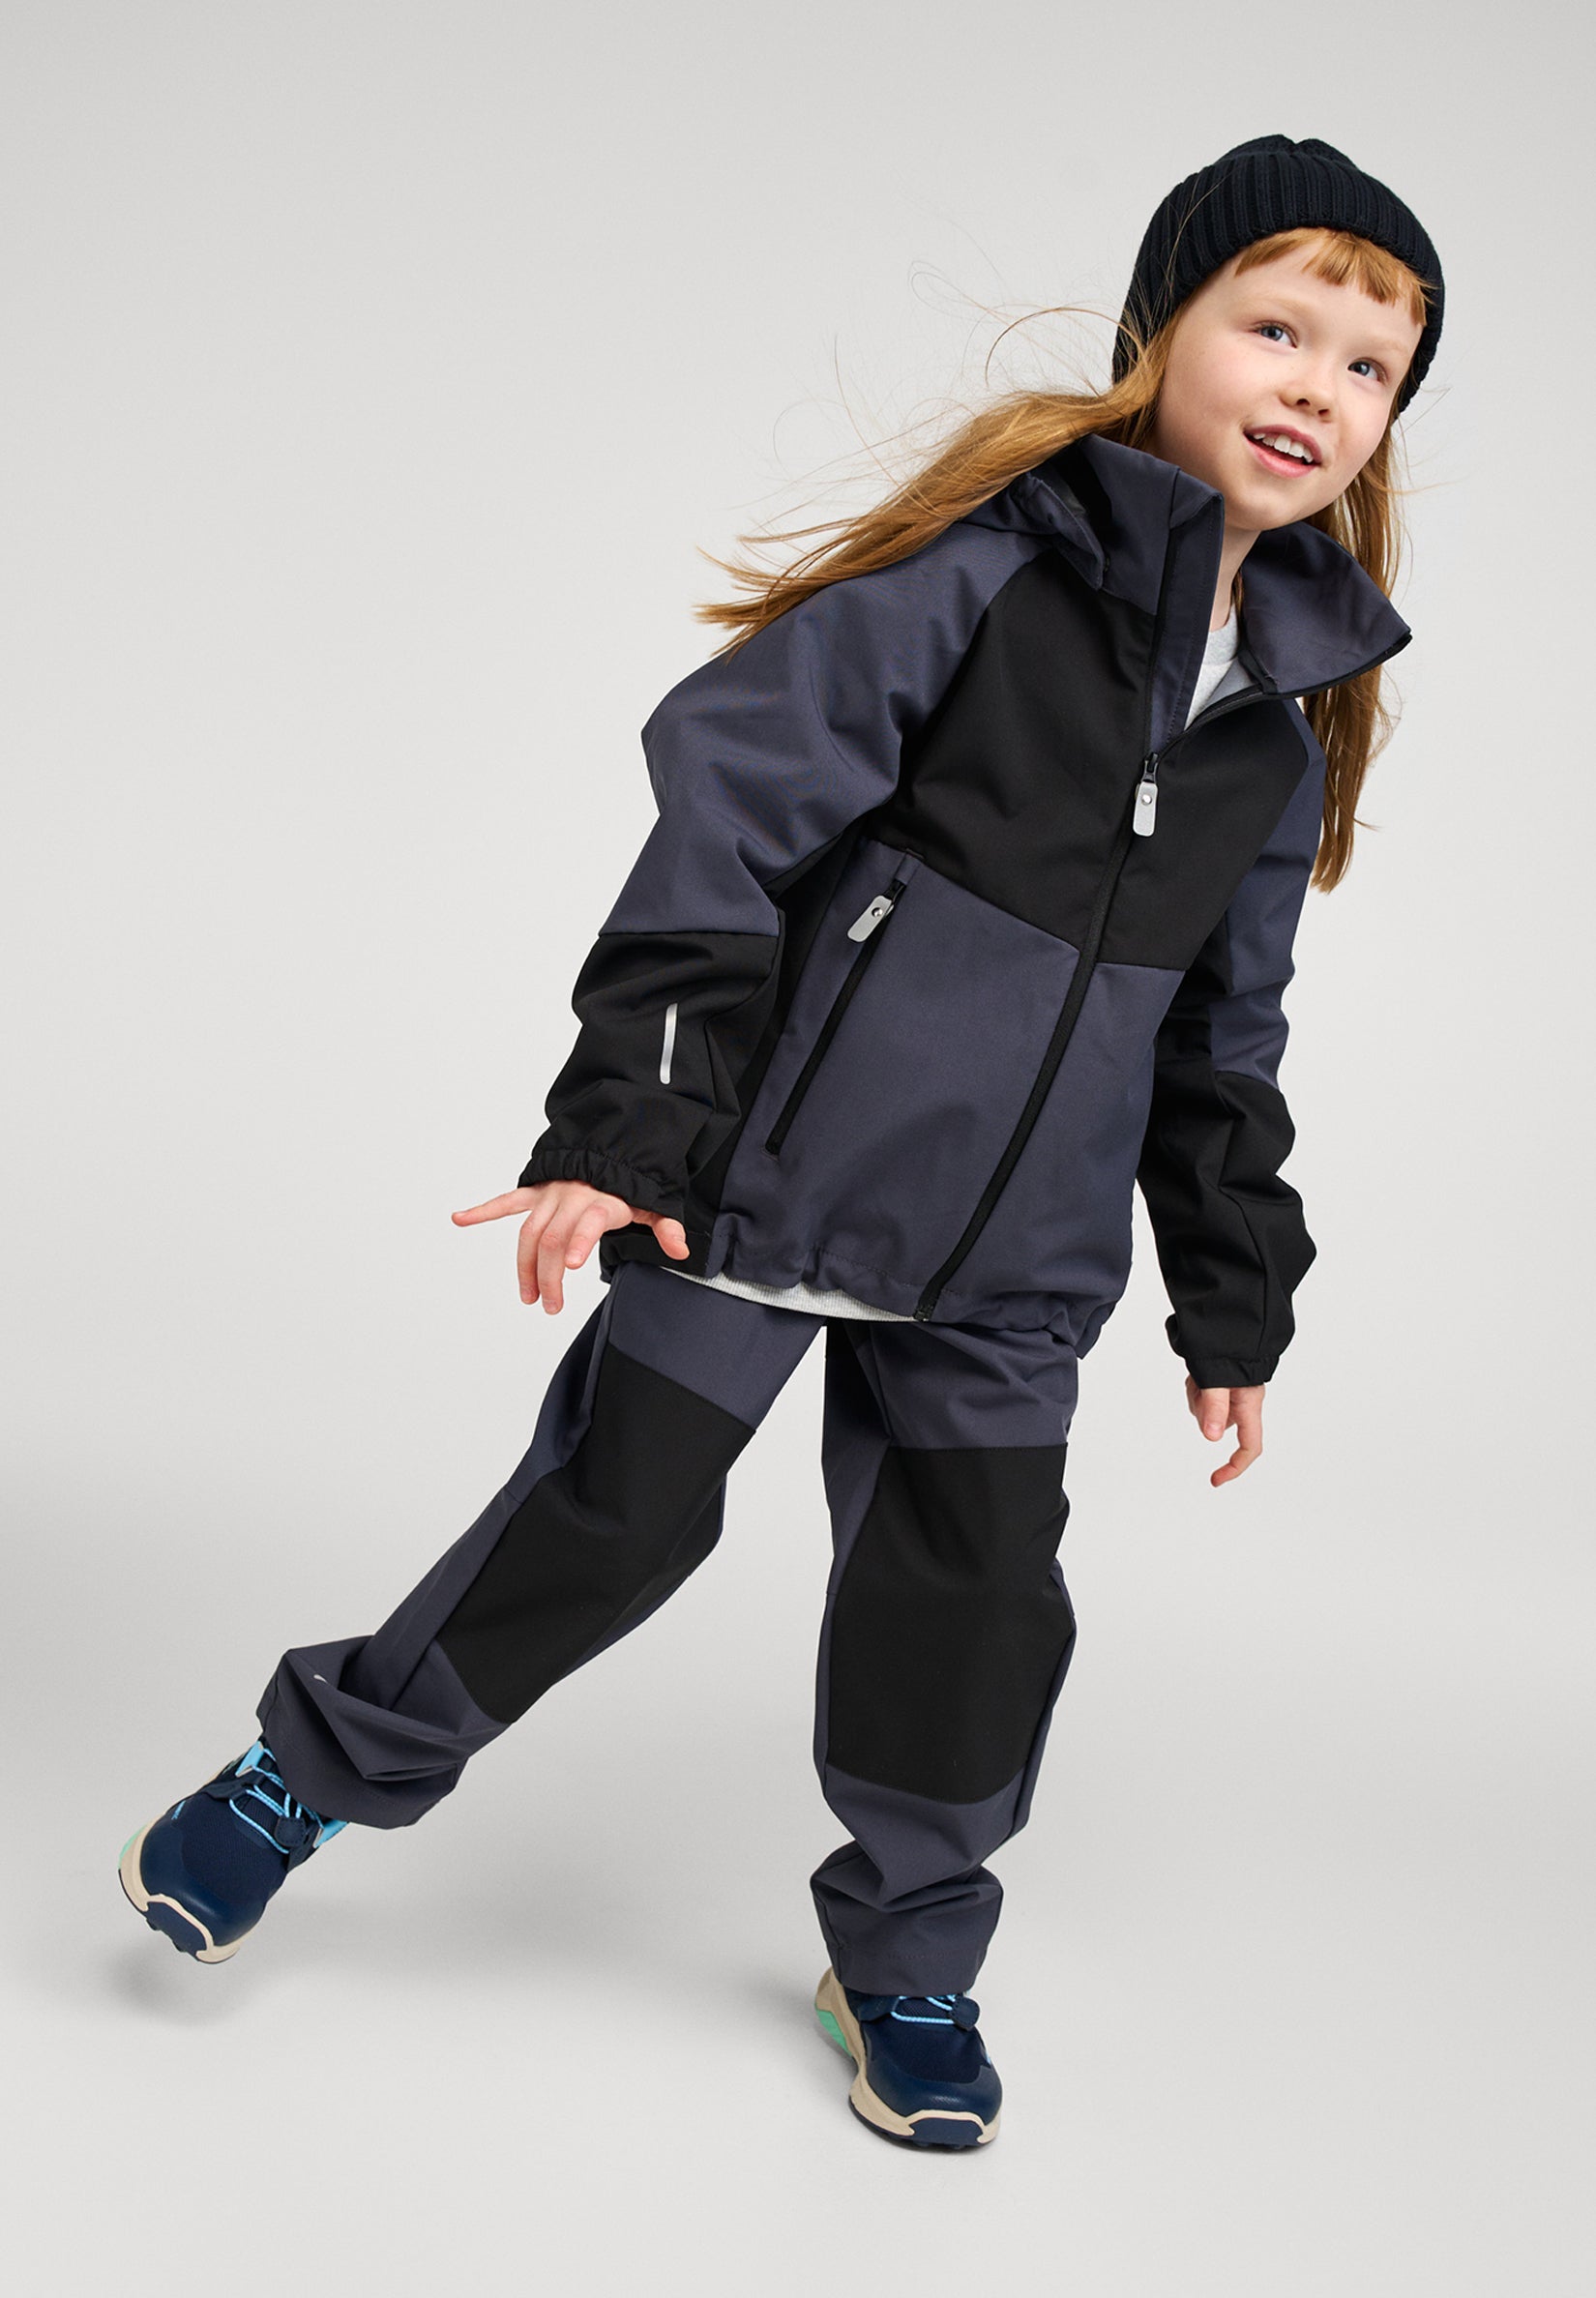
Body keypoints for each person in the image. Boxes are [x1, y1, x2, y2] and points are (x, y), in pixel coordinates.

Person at [119, 134, 1444, 2151]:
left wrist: (1233, 1298)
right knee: (609, 1516)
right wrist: (630, 1126)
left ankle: (905, 1963)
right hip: (767, 1186)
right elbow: (727, 817)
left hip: (1015, 1271)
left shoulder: (1280, 718)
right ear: (1158, 332)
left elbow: (1222, 1035)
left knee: (967, 1612)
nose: (1315, 388)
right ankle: (300, 1777)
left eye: (1368, 369)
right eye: (1276, 327)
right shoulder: (992, 576)